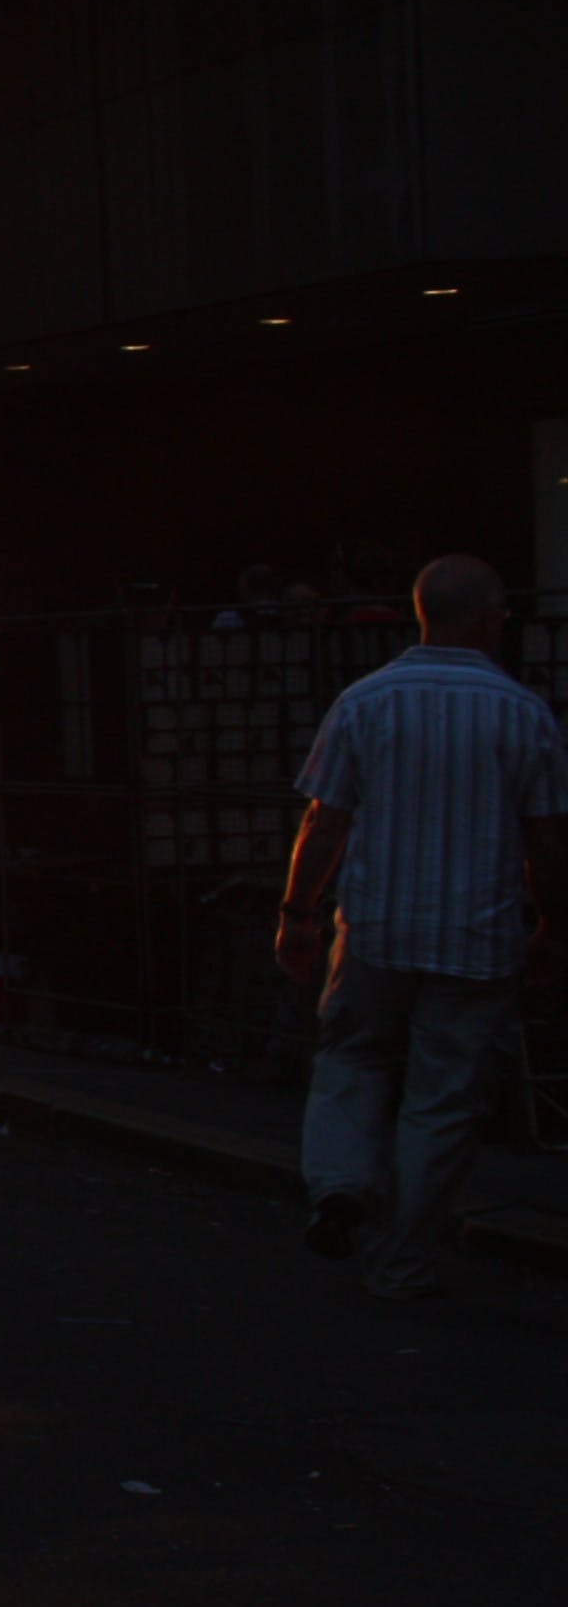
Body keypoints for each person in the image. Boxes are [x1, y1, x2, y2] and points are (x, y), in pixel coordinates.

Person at [276, 552, 568, 1300]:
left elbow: (325, 819)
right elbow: (546, 841)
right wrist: (554, 928)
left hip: (374, 929)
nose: (506, 619)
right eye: (501, 609)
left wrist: (297, 914)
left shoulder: (365, 702)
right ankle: (401, 1261)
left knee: (351, 1059)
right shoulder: (522, 713)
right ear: (481, 617)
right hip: (477, 938)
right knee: (443, 1100)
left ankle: (339, 1186)